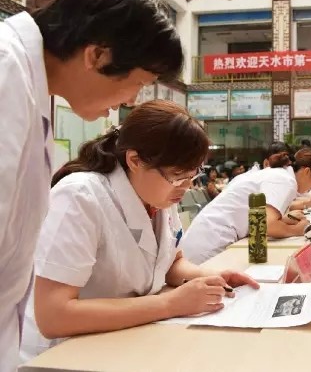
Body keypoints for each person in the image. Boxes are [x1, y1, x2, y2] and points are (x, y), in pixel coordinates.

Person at [0, 0, 183, 370]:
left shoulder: (32, 88)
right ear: (98, 56)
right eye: (139, 83)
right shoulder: (6, 70)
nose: (131, 100)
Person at [19, 101, 259, 361]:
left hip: (123, 341)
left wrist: (210, 277)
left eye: (192, 176)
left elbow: (170, 263)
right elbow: (54, 316)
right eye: (177, 175)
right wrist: (170, 304)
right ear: (134, 160)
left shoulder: (158, 195)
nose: (185, 187)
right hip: (60, 353)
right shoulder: (80, 197)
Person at [180, 148, 311, 264]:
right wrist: (297, 230)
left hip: (206, 239)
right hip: (210, 247)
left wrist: (284, 220)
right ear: (307, 171)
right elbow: (266, 226)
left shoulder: (277, 174)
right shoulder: (285, 180)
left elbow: (258, 218)